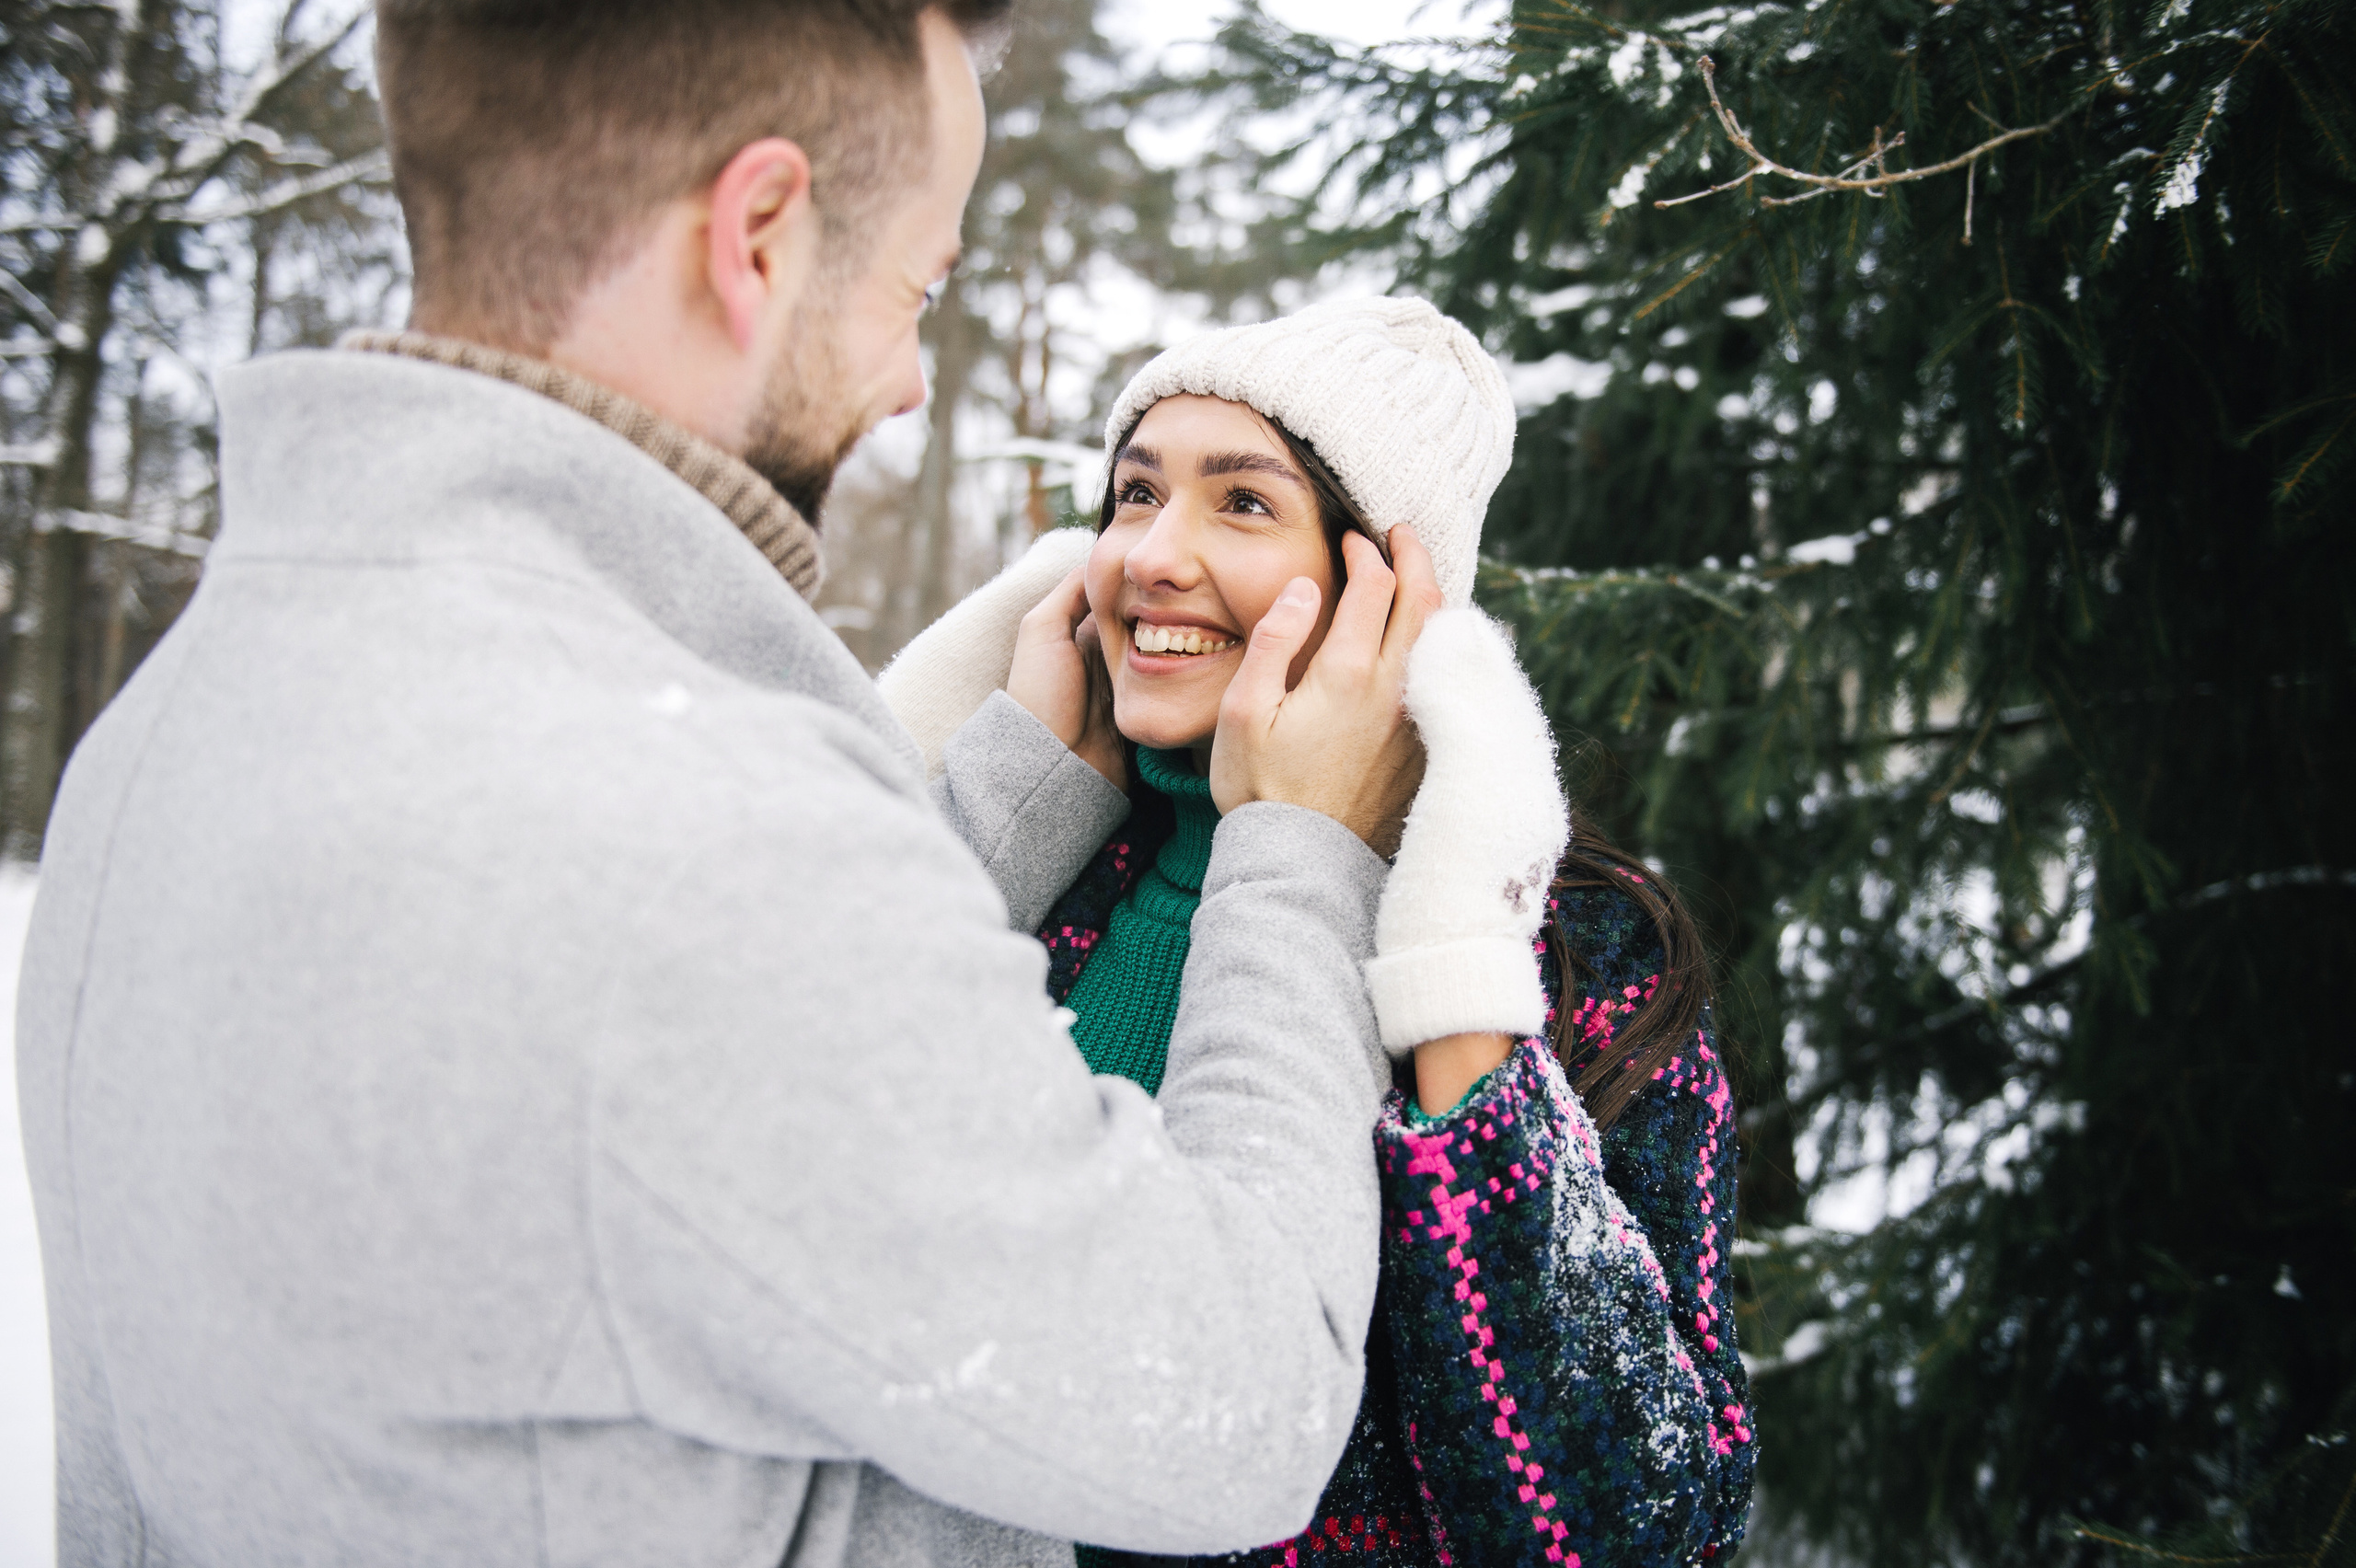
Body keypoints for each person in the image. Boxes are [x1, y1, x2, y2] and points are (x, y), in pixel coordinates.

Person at [13, 5, 1450, 1565]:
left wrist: (995, 810)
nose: (909, 381)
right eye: (918, 286)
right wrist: (1303, 850)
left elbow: (678, 1145)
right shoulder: (708, 847)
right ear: (759, 230)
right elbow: (1238, 1403)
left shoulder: (174, 727)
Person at [882, 297, 1757, 1565]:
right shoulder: (1062, 862)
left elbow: (1643, 1532)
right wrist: (997, 806)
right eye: (1135, 494)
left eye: (1241, 503)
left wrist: (1460, 1009)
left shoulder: (1570, 949)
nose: (1150, 554)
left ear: (1381, 593)